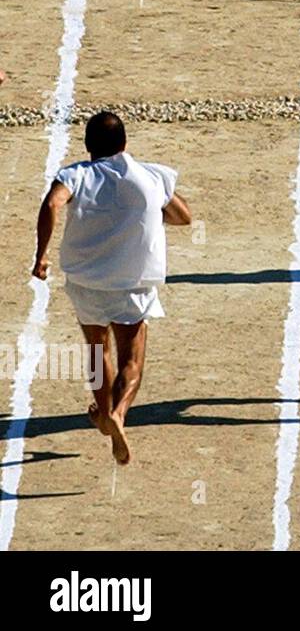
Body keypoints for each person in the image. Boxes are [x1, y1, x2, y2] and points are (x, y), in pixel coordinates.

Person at [31, 111, 192, 465]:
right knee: (131, 358)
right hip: (132, 283)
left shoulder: (76, 174)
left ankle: (103, 412)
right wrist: (145, 211)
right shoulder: (150, 175)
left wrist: (41, 256)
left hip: (87, 282)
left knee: (95, 349)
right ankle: (118, 412)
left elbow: (52, 203)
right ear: (124, 144)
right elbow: (183, 216)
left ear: (88, 146)